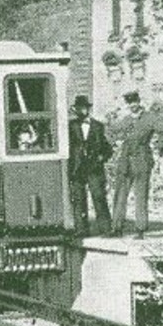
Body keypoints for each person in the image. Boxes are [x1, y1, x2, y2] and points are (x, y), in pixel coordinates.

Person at [109, 90, 163, 236]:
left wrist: (160, 147)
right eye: (130, 103)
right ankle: (117, 228)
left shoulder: (150, 118)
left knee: (141, 194)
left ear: (139, 102)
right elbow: (110, 131)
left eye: (135, 102)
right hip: (125, 159)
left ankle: (140, 229)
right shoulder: (125, 120)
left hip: (142, 158)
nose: (133, 105)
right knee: (120, 194)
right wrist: (113, 145)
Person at [65, 95, 113, 235]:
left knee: (99, 197)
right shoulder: (70, 126)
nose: (81, 110)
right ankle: (81, 229)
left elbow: (107, 148)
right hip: (77, 167)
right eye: (79, 108)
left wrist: (101, 158)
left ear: (88, 109)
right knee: (79, 199)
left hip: (94, 167)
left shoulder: (98, 126)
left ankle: (105, 228)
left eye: (84, 108)